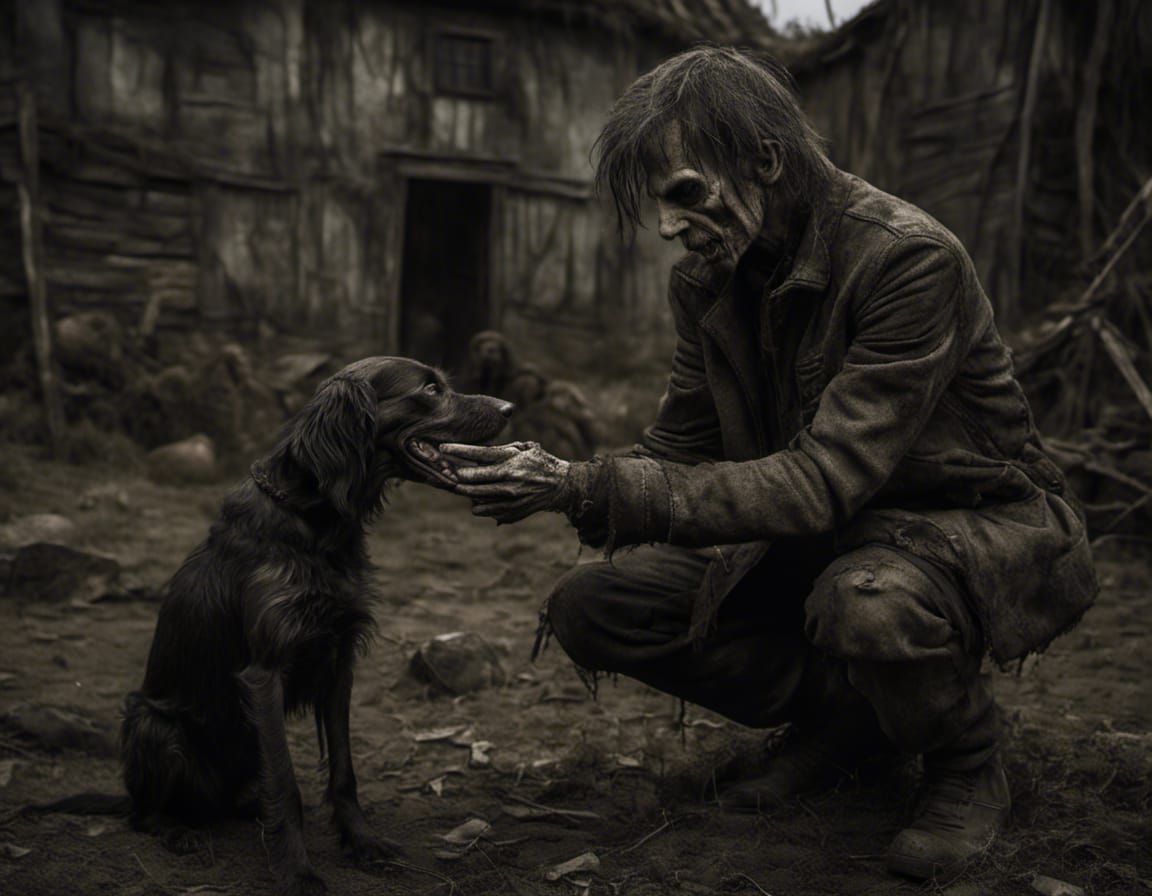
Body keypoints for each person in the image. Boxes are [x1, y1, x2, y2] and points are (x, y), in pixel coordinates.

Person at [441, 48, 1096, 880]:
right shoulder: (710, 280)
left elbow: (825, 479)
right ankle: (848, 724)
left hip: (968, 525)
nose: (670, 227)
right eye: (660, 205)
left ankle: (967, 761)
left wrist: (586, 485)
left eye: (684, 193)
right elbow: (677, 448)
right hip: (827, 536)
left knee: (868, 605)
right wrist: (553, 485)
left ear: (765, 160)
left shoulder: (905, 258)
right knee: (594, 608)